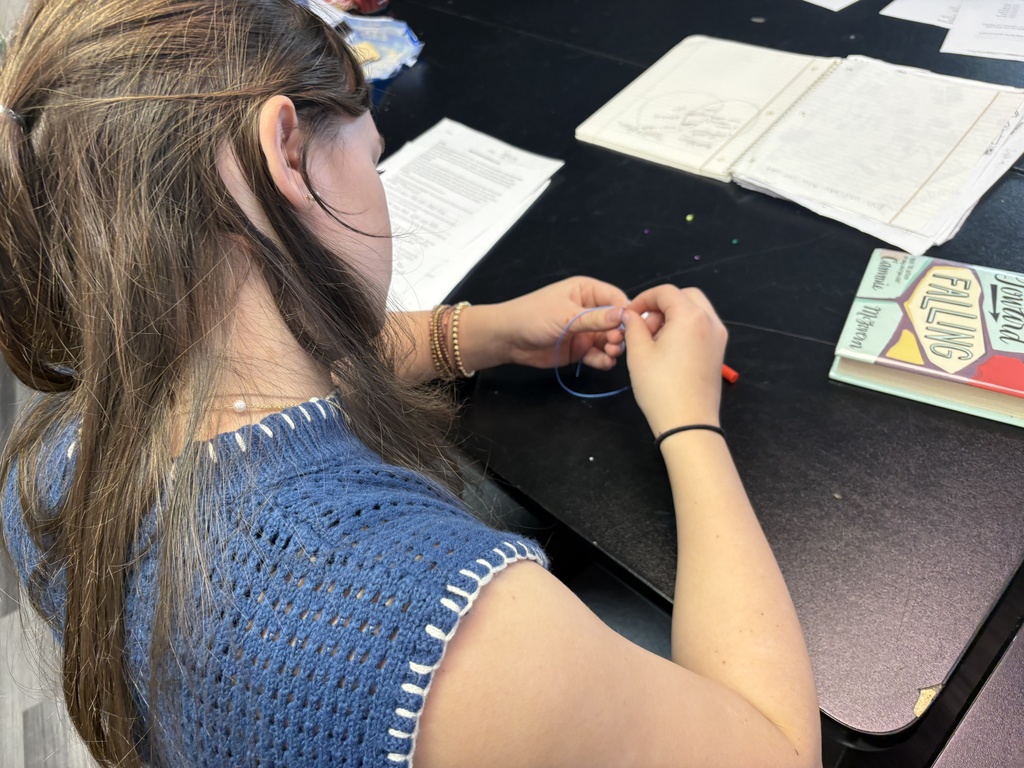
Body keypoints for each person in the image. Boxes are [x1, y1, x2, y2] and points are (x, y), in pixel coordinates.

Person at [0, 0, 822, 766]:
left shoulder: (47, 461)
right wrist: (688, 421)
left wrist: (472, 333)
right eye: (372, 161)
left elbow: (269, 377)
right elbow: (779, 751)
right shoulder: (450, 632)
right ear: (287, 153)